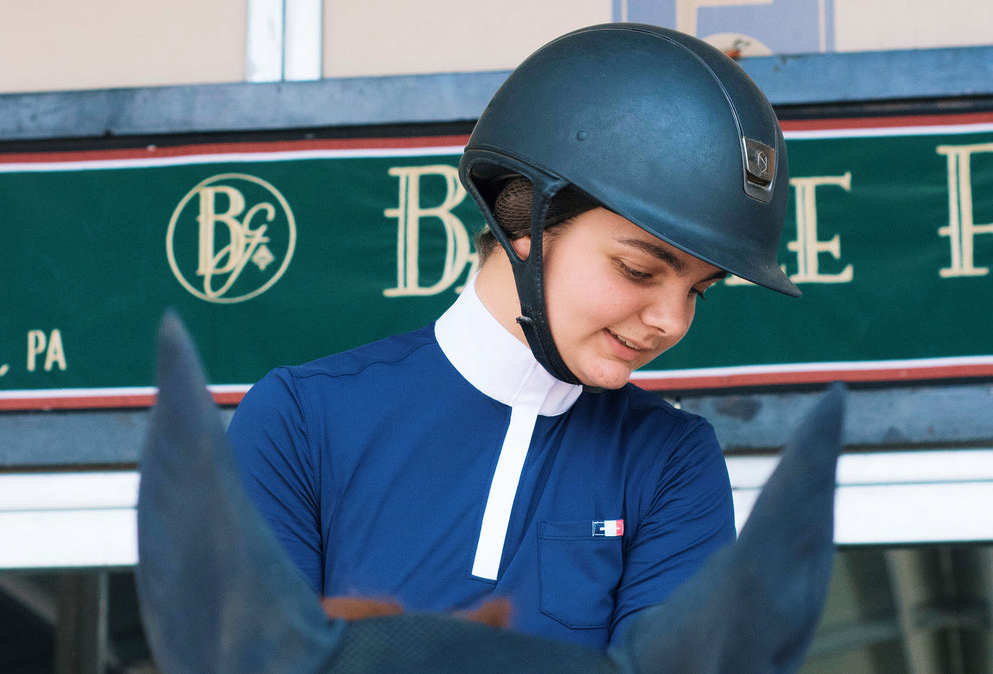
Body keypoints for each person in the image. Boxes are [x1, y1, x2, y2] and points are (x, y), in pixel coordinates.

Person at [227, 22, 799, 651]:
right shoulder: (301, 422)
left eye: (698, 290)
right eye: (639, 270)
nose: (672, 320)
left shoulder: (670, 461)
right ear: (522, 214)